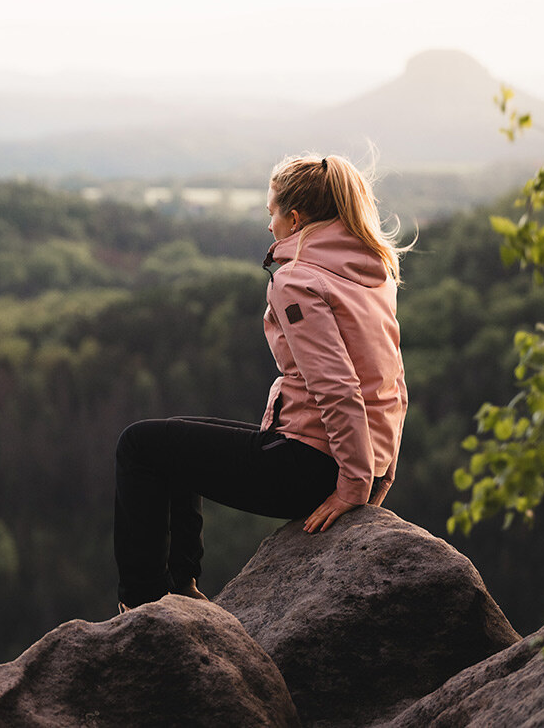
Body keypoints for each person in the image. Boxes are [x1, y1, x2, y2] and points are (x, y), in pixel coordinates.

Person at [113, 153, 409, 610]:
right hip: (345, 458)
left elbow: (338, 387)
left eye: (271, 212)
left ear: (295, 217)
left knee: (140, 446)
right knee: (170, 442)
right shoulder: (371, 272)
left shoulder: (297, 279)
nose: (268, 225)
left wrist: (353, 486)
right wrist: (377, 474)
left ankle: (143, 608)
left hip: (311, 466)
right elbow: (392, 385)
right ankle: (179, 590)